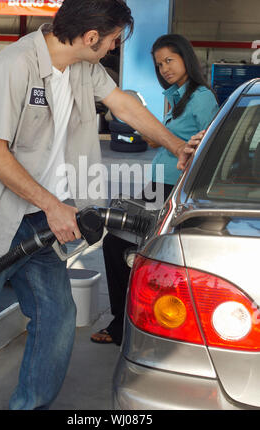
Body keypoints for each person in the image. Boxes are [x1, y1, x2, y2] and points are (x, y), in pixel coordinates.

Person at [0, 0, 195, 410]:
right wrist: (53, 205)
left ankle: (29, 406)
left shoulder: (84, 69)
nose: (111, 48)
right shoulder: (13, 66)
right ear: (91, 37)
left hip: (43, 222)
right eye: (111, 41)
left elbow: (124, 105)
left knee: (57, 320)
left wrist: (177, 147)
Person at [91, 33, 219, 346]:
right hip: (157, 187)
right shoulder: (179, 97)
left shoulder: (201, 97)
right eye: (159, 64)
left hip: (172, 190)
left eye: (169, 61)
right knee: (126, 247)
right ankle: (127, 323)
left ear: (186, 58)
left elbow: (207, 149)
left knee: (118, 245)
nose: (164, 68)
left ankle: (123, 326)